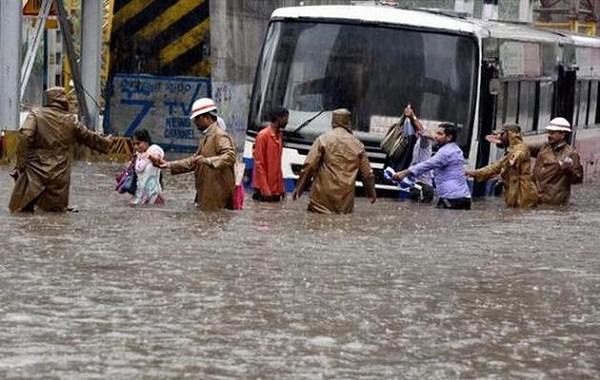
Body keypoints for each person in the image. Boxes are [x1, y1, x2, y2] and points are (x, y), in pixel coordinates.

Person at [9, 86, 113, 213]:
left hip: (35, 169)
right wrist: (106, 142)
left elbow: (25, 136)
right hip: (60, 171)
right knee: (54, 214)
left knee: (22, 209)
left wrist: (20, 164)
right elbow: (88, 137)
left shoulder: (36, 115)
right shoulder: (70, 120)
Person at [151, 98, 236, 211]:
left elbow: (230, 156)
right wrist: (168, 165)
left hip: (216, 196)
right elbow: (193, 161)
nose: (195, 122)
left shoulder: (219, 135)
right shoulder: (206, 137)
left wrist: (208, 161)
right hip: (205, 193)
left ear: (207, 117)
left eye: (197, 118)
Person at [292, 108, 376, 214]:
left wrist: (299, 187)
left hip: (321, 197)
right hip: (345, 200)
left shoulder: (323, 140)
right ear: (349, 122)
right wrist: (371, 193)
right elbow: (367, 174)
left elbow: (309, 165)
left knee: (317, 224)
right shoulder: (357, 144)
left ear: (333, 122)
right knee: (341, 224)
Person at [393, 123, 472, 210]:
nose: (436, 136)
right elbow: (433, 137)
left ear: (449, 137)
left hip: (451, 198)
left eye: (440, 134)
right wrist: (424, 133)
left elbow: (427, 165)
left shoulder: (446, 152)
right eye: (436, 133)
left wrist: (404, 173)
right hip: (463, 196)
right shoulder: (455, 149)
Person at [466, 123, 538, 208]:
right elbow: (496, 166)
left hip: (523, 192)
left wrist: (514, 158)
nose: (500, 137)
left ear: (510, 134)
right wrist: (474, 173)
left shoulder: (520, 149)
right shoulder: (511, 150)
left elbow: (519, 154)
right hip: (514, 190)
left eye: (502, 134)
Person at [529, 117, 583, 205]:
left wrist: (568, 171)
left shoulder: (571, 153)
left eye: (553, 133)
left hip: (554, 202)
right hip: (535, 199)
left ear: (563, 134)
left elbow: (578, 179)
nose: (549, 135)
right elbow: (524, 147)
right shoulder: (544, 147)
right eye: (548, 132)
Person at [252, 106, 289, 202]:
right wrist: (265, 190)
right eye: (286, 118)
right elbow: (259, 164)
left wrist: (281, 189)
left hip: (275, 189)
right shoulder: (263, 136)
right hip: (264, 191)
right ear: (279, 118)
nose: (287, 122)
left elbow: (277, 165)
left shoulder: (279, 136)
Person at [403, 105, 434, 203]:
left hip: (423, 186)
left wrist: (413, 116)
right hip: (417, 185)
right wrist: (410, 119)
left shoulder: (424, 143)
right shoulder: (417, 143)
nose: (416, 132)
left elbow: (422, 131)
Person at [130, 129, 164, 205]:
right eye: (134, 144)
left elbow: (157, 159)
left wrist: (150, 156)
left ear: (146, 141)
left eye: (138, 143)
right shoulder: (138, 156)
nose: (136, 146)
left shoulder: (155, 149)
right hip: (140, 196)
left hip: (154, 195)